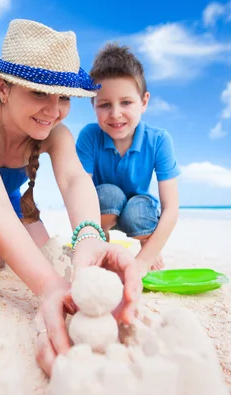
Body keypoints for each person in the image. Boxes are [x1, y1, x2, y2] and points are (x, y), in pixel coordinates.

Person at [0, 20, 141, 376]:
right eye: (39, 93)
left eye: (64, 97)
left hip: (3, 198)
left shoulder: (54, 132)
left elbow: (73, 180)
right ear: (3, 88)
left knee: (38, 246)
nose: (53, 110)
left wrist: (87, 238)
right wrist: (50, 286)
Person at [76, 43, 181, 273]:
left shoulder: (159, 140)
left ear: (144, 102)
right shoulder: (89, 136)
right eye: (104, 104)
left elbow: (171, 208)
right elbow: (78, 190)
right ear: (93, 104)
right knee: (108, 193)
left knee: (137, 211)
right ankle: (100, 242)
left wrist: (143, 261)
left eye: (126, 102)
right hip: (103, 207)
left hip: (138, 210)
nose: (115, 114)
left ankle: (148, 243)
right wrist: (87, 238)